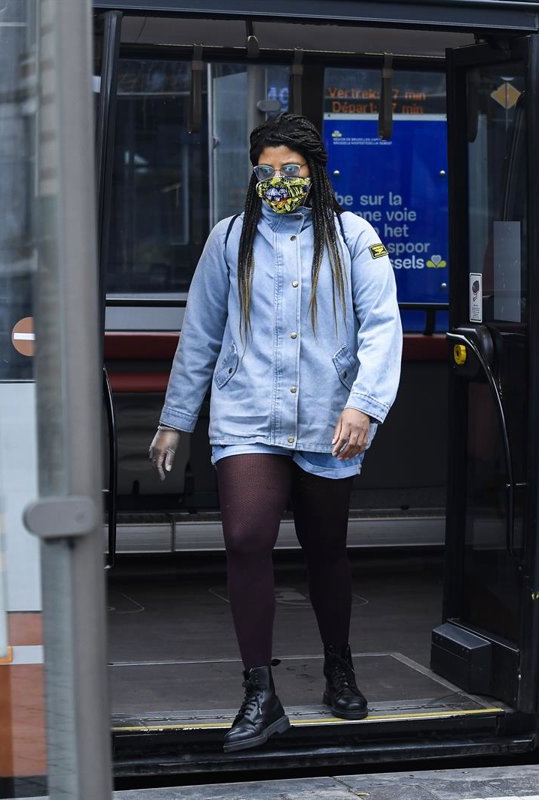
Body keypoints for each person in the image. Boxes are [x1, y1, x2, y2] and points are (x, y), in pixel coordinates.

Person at [148, 113, 402, 753]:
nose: (279, 181)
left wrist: (364, 405)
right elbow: (200, 333)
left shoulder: (354, 238)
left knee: (326, 550)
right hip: (247, 416)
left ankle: (338, 665)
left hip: (328, 417)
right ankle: (260, 693)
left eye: (291, 169)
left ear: (315, 171)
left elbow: (382, 326)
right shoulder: (229, 239)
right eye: (266, 171)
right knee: (244, 539)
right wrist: (176, 419)